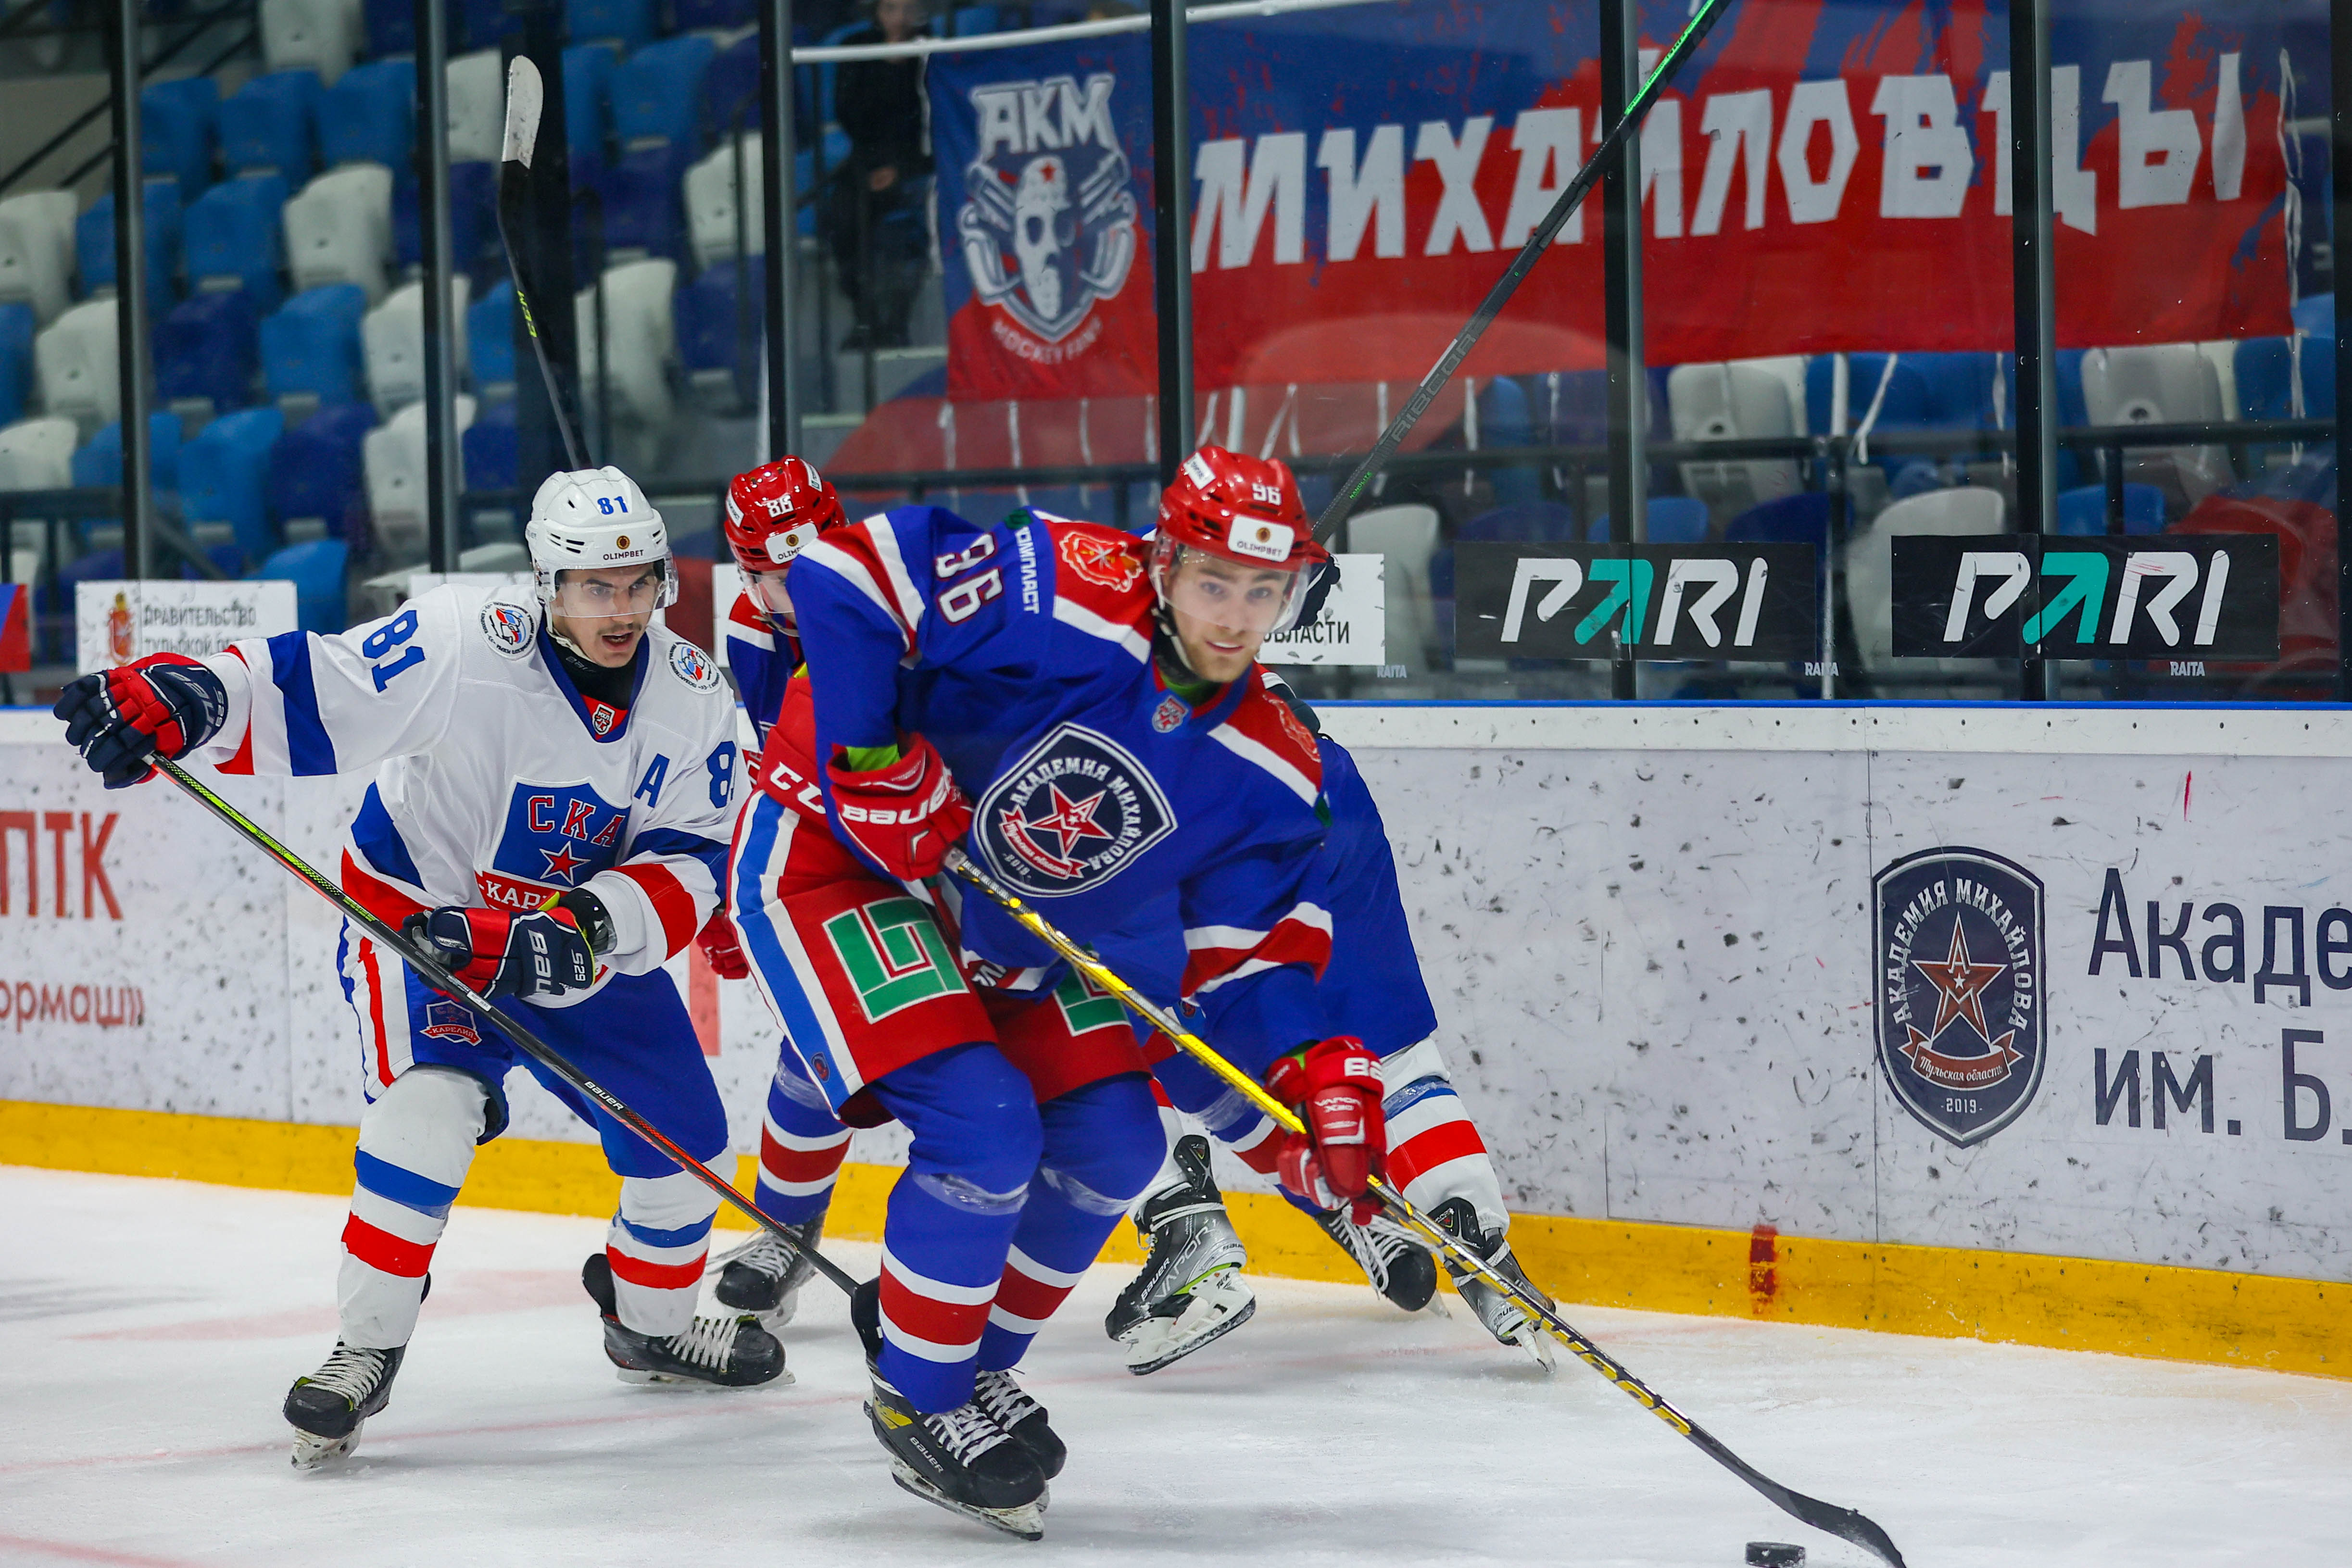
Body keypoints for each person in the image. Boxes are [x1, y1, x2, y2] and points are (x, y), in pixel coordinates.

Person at [53, 467, 786, 1470]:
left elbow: (696, 853)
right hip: (424, 933)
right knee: (427, 1115)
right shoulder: (461, 639)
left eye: (638, 584)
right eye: (593, 586)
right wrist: (197, 697)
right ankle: (366, 1348)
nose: (621, 610)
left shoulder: (694, 696)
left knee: (687, 1140)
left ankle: (651, 1326)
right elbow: (322, 686)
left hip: (578, 953)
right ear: (546, 584)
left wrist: (587, 925)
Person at [719, 447, 1371, 1539]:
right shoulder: (1065, 579)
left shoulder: (1269, 762)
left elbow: (1240, 957)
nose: (1234, 617)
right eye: (1213, 581)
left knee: (1116, 1140)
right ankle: (917, 1395)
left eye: (1262, 590)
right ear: (1164, 562)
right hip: (838, 864)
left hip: (1002, 922)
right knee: (983, 1126)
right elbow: (844, 574)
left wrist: (1311, 1078)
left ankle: (963, 1363)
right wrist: (871, 758)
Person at [1093, 713, 1560, 1373]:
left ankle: (1181, 1215)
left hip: (1175, 809)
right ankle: (1471, 1225)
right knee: (1375, 1037)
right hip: (1316, 775)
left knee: (1090, 1012)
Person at [829, 0, 933, 350]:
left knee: (902, 229)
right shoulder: (857, 48)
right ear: (877, 10)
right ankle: (865, 317)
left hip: (917, 160)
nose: (899, 18)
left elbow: (929, 120)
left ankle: (897, 324)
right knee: (843, 218)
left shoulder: (931, 50)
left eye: (907, 8)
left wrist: (900, 167)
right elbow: (848, 112)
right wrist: (877, 165)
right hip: (867, 159)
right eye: (890, 8)